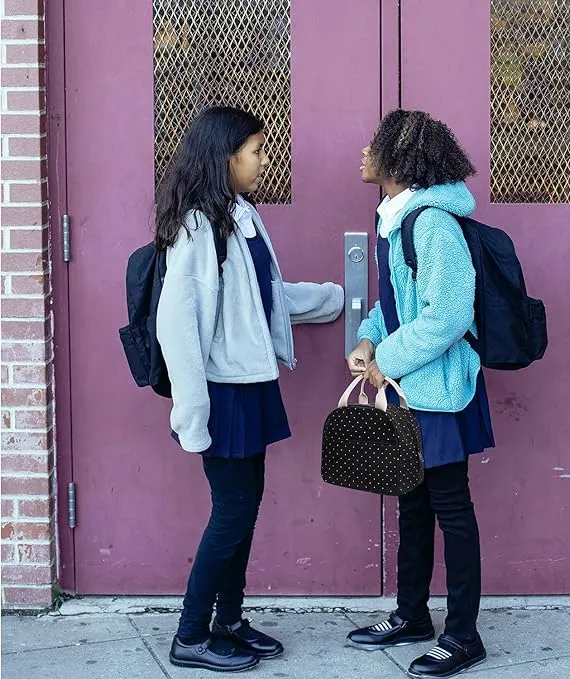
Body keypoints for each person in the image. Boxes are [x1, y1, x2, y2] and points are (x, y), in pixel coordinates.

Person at [155, 105, 344, 672]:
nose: (264, 160)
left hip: (250, 382)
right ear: (226, 155)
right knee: (232, 511)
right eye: (256, 151)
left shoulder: (240, 216)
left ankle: (228, 621)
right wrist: (192, 409)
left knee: (246, 504)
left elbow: (261, 297)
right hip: (222, 391)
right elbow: (177, 324)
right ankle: (189, 636)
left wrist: (332, 300)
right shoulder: (197, 225)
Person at [345, 109, 494, 678]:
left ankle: (463, 637)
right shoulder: (397, 219)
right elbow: (399, 303)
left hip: (441, 391)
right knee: (412, 503)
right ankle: (411, 616)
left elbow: (449, 315)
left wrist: (389, 359)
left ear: (399, 159)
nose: (363, 151)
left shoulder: (432, 222)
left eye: (373, 142)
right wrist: (368, 339)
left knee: (451, 508)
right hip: (411, 389)